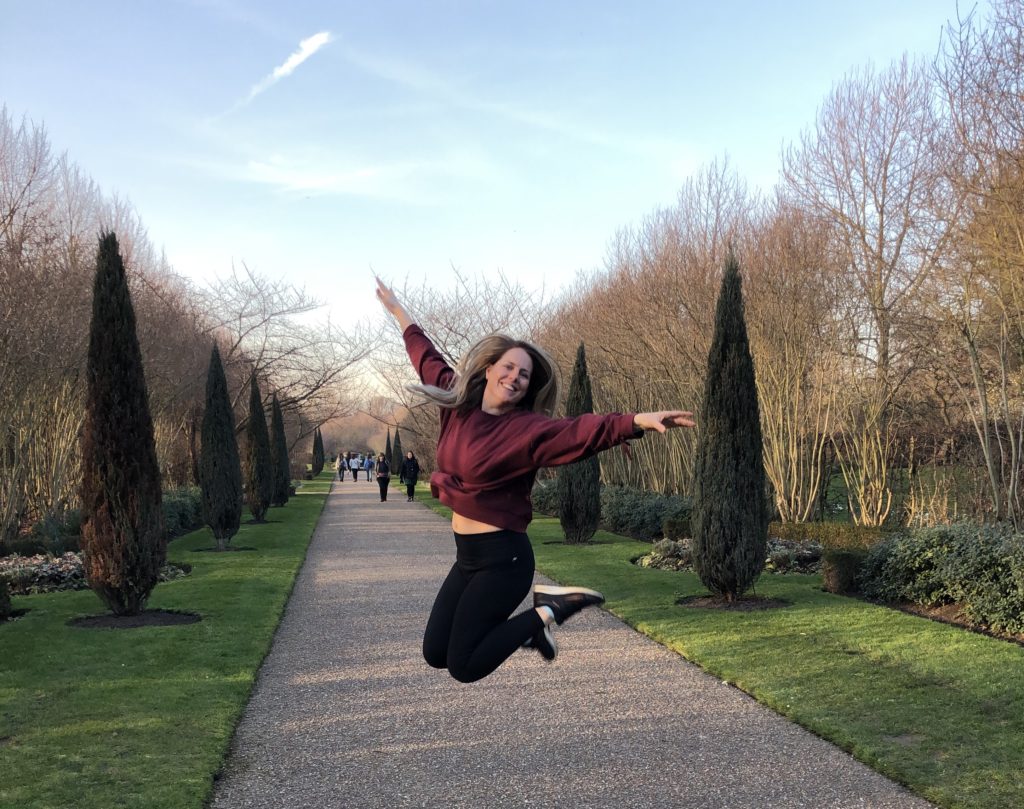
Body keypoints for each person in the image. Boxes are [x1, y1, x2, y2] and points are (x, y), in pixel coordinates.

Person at [376, 277, 695, 684]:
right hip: (468, 557)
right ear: (489, 369)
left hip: (503, 561)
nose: (515, 377)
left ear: (529, 386)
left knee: (464, 666)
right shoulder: (456, 403)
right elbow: (426, 356)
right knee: (435, 652)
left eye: (524, 375)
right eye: (508, 367)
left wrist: (634, 423)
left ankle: (550, 607)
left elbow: (580, 432)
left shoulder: (527, 429)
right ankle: (534, 629)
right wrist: (399, 311)